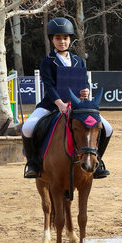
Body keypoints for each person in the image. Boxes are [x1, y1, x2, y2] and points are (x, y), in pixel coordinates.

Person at [21, 17, 112, 178]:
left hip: (78, 106)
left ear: (70, 39)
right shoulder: (47, 61)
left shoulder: (78, 61)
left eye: (65, 38)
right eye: (58, 38)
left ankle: (98, 161)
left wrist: (86, 91)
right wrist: (60, 104)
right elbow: (48, 85)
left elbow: (85, 83)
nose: (62, 41)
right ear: (52, 40)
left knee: (108, 128)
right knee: (27, 128)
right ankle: (33, 163)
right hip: (51, 104)